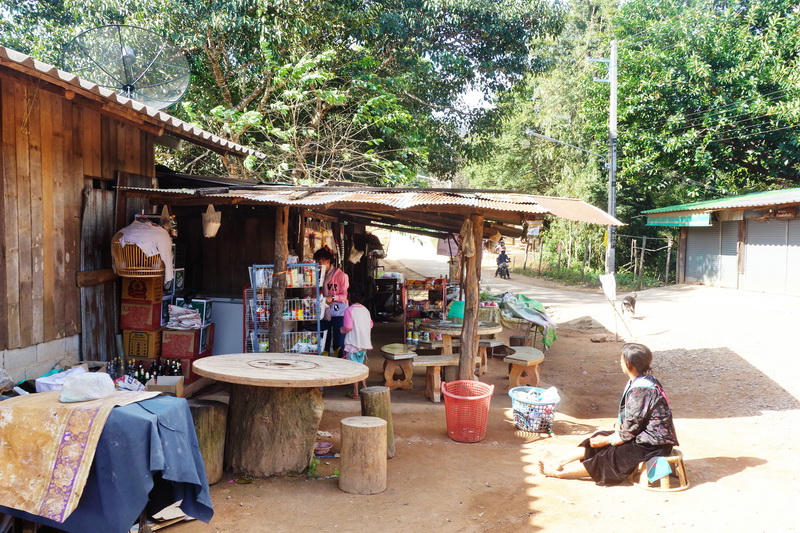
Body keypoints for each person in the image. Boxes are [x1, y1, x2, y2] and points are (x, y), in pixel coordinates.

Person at [538, 343, 678, 486]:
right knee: (597, 439)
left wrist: (608, 440)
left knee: (610, 455)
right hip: (642, 435)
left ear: (629, 364)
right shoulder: (643, 380)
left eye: (622, 359)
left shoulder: (641, 390)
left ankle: (560, 474)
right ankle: (560, 461)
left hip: (654, 443)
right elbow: (633, 424)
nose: (620, 362)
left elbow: (631, 429)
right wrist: (611, 434)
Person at [314, 246, 349, 356]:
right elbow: (314, 292)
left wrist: (333, 297)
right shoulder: (317, 275)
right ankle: (326, 365)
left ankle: (341, 366)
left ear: (328, 261)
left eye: (320, 261)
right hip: (323, 312)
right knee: (323, 341)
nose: (318, 264)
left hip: (339, 312)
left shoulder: (341, 276)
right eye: (316, 261)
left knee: (339, 342)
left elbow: (344, 296)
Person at [340, 284, 373, 398]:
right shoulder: (365, 310)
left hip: (353, 343)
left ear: (350, 296)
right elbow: (370, 324)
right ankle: (364, 387)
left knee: (354, 368)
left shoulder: (349, 310)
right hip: (364, 343)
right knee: (361, 366)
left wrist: (342, 330)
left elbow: (348, 326)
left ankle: (355, 392)